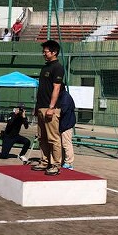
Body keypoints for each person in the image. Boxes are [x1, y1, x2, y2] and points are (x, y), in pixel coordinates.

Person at [31, 39, 65, 175]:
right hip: (41, 107)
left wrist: (51, 107)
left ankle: (56, 165)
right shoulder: (44, 68)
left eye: (46, 51)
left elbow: (56, 88)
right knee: (42, 137)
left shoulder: (58, 68)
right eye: (43, 51)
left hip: (51, 108)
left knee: (53, 138)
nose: (44, 54)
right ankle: (44, 162)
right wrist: (37, 107)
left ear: (54, 52)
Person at [59, 89, 77, 170]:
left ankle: (69, 162)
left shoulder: (65, 97)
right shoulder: (63, 96)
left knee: (66, 144)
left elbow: (62, 110)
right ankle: (63, 161)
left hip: (66, 124)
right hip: (64, 124)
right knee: (63, 144)